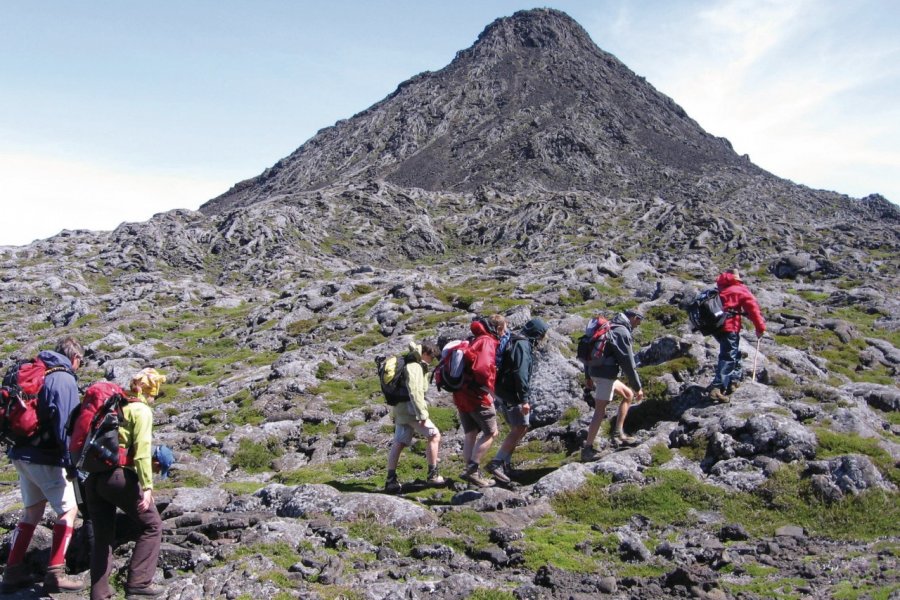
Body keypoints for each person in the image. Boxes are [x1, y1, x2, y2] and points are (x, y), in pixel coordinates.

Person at [1, 337, 86, 593]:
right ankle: (55, 573)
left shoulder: (38, 369)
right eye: (81, 361)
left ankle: (12, 571)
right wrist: (72, 462)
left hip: (21, 453)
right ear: (75, 357)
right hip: (44, 456)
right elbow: (66, 425)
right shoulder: (64, 378)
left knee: (32, 512)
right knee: (68, 511)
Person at [84, 368, 166, 600]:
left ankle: (99, 592)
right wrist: (147, 487)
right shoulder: (142, 410)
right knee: (152, 526)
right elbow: (141, 453)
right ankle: (139, 584)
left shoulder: (116, 406)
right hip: (118, 477)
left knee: (103, 537)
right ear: (152, 391)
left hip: (94, 478)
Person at [486, 317, 550, 483]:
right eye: (543, 334)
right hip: (511, 393)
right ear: (538, 333)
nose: (544, 338)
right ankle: (497, 462)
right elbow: (520, 373)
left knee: (519, 426)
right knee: (521, 426)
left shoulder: (516, 340)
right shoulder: (523, 345)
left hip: (502, 389)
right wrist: (524, 400)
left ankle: (506, 465)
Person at [581, 310, 645, 461]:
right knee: (599, 411)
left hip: (596, 372)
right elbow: (628, 363)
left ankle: (618, 434)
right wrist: (638, 387)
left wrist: (588, 375)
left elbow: (589, 349)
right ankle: (587, 450)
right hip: (605, 376)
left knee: (627, 395)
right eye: (638, 322)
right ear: (634, 318)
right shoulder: (621, 332)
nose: (638, 325)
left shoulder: (609, 326)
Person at [453, 314, 506, 487]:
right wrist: (491, 389)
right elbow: (483, 370)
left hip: (461, 394)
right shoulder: (487, 341)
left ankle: (470, 473)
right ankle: (473, 469)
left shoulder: (473, 339)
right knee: (491, 432)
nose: (505, 332)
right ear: (497, 328)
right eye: (503, 328)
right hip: (476, 394)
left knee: (471, 432)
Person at [384, 341, 443, 493]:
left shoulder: (410, 362)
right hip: (411, 411)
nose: (432, 360)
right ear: (425, 354)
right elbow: (415, 392)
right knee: (434, 435)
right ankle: (433, 474)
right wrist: (422, 414)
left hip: (401, 409)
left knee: (399, 442)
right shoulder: (414, 366)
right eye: (432, 357)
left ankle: (390, 479)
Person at [709, 269, 766, 403]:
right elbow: (753, 310)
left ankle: (733, 381)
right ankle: (717, 388)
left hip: (716, 327)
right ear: (737, 280)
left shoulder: (721, 289)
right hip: (730, 327)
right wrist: (760, 328)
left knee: (732, 352)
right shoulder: (740, 290)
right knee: (728, 356)